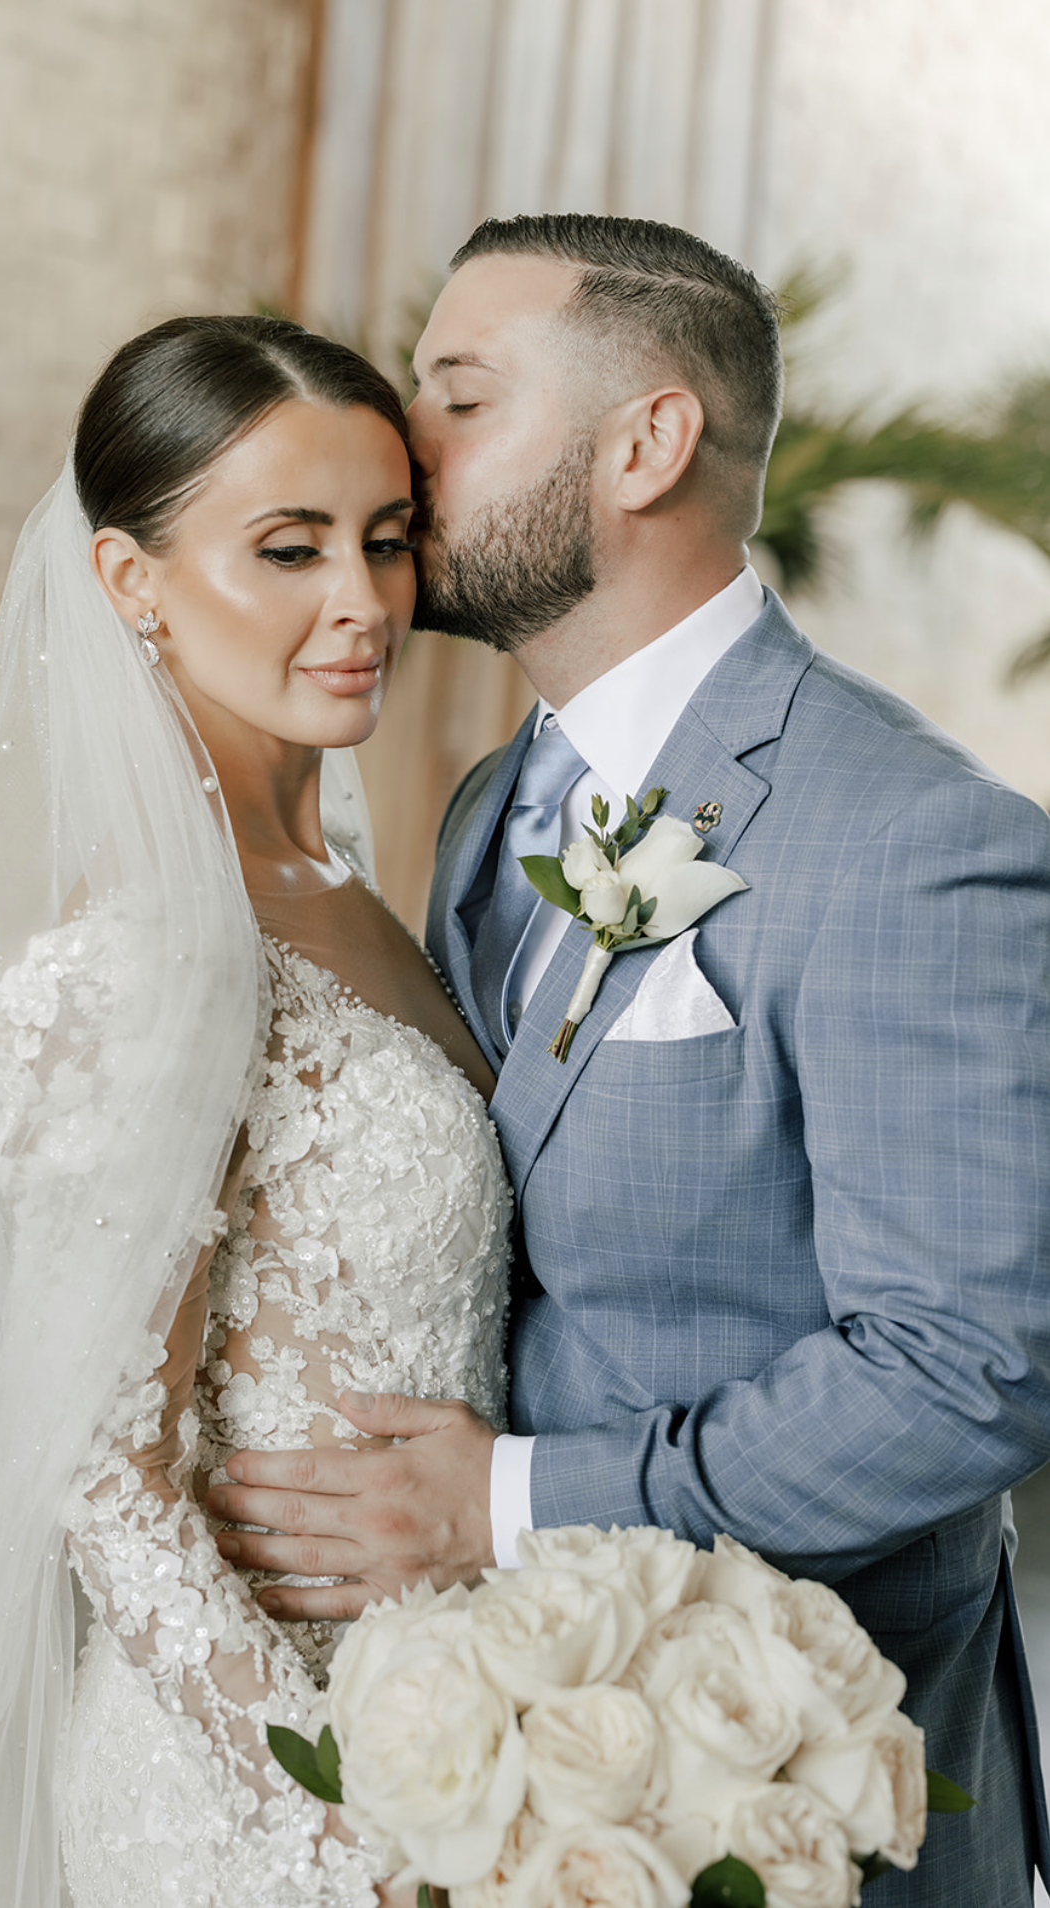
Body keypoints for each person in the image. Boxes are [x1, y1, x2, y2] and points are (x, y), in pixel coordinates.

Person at [206, 216, 1050, 1902]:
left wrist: (510, 1506)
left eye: (457, 396)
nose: (400, 444)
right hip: (510, 1757)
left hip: (802, 1765)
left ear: (646, 444)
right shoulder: (484, 810)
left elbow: (971, 1366)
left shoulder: (912, 839)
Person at [0, 315, 511, 1908]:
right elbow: (103, 1472)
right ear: (131, 583)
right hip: (259, 1784)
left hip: (456, 1708)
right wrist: (333, 1817)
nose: (361, 604)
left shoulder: (352, 894)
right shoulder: (140, 960)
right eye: (289, 549)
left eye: (385, 543)